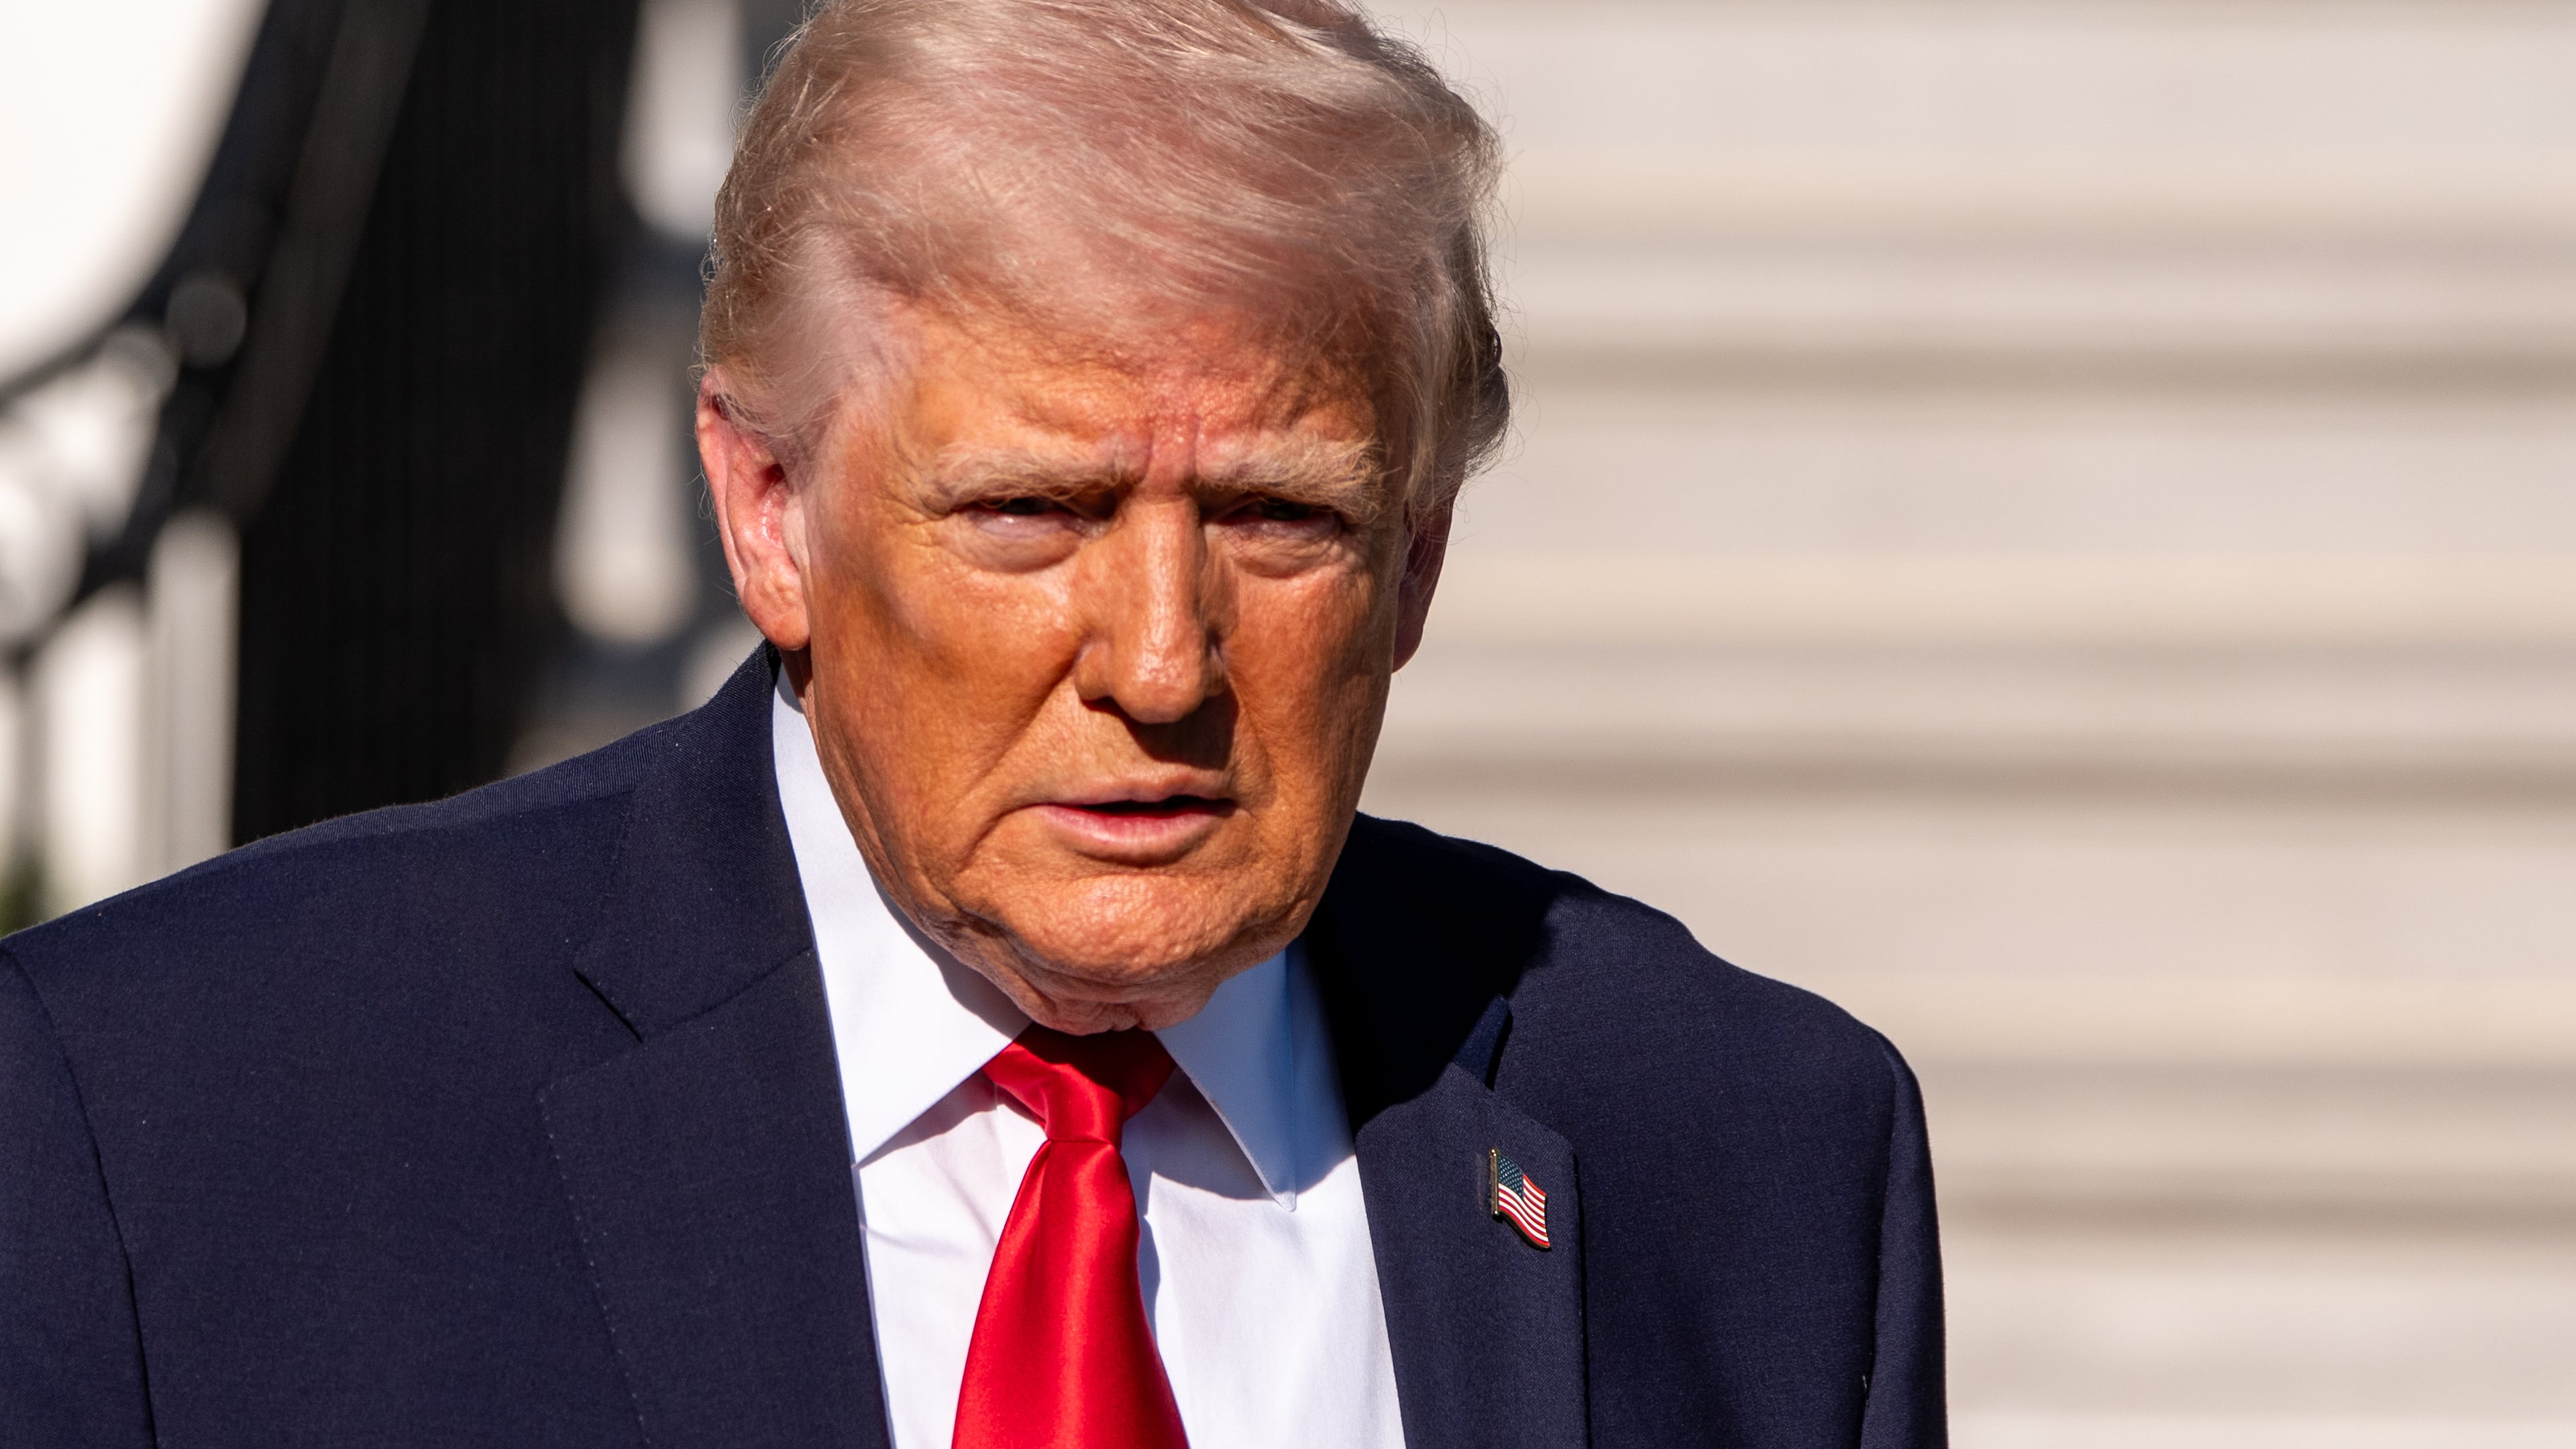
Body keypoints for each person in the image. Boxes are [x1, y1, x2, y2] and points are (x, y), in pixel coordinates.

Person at [0, 1, 1942, 1445]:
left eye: (1279, 519)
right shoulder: (175, 1124)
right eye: (1036, 514)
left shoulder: (1752, 1154)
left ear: (1419, 562)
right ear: (770, 515)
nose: (1162, 662)